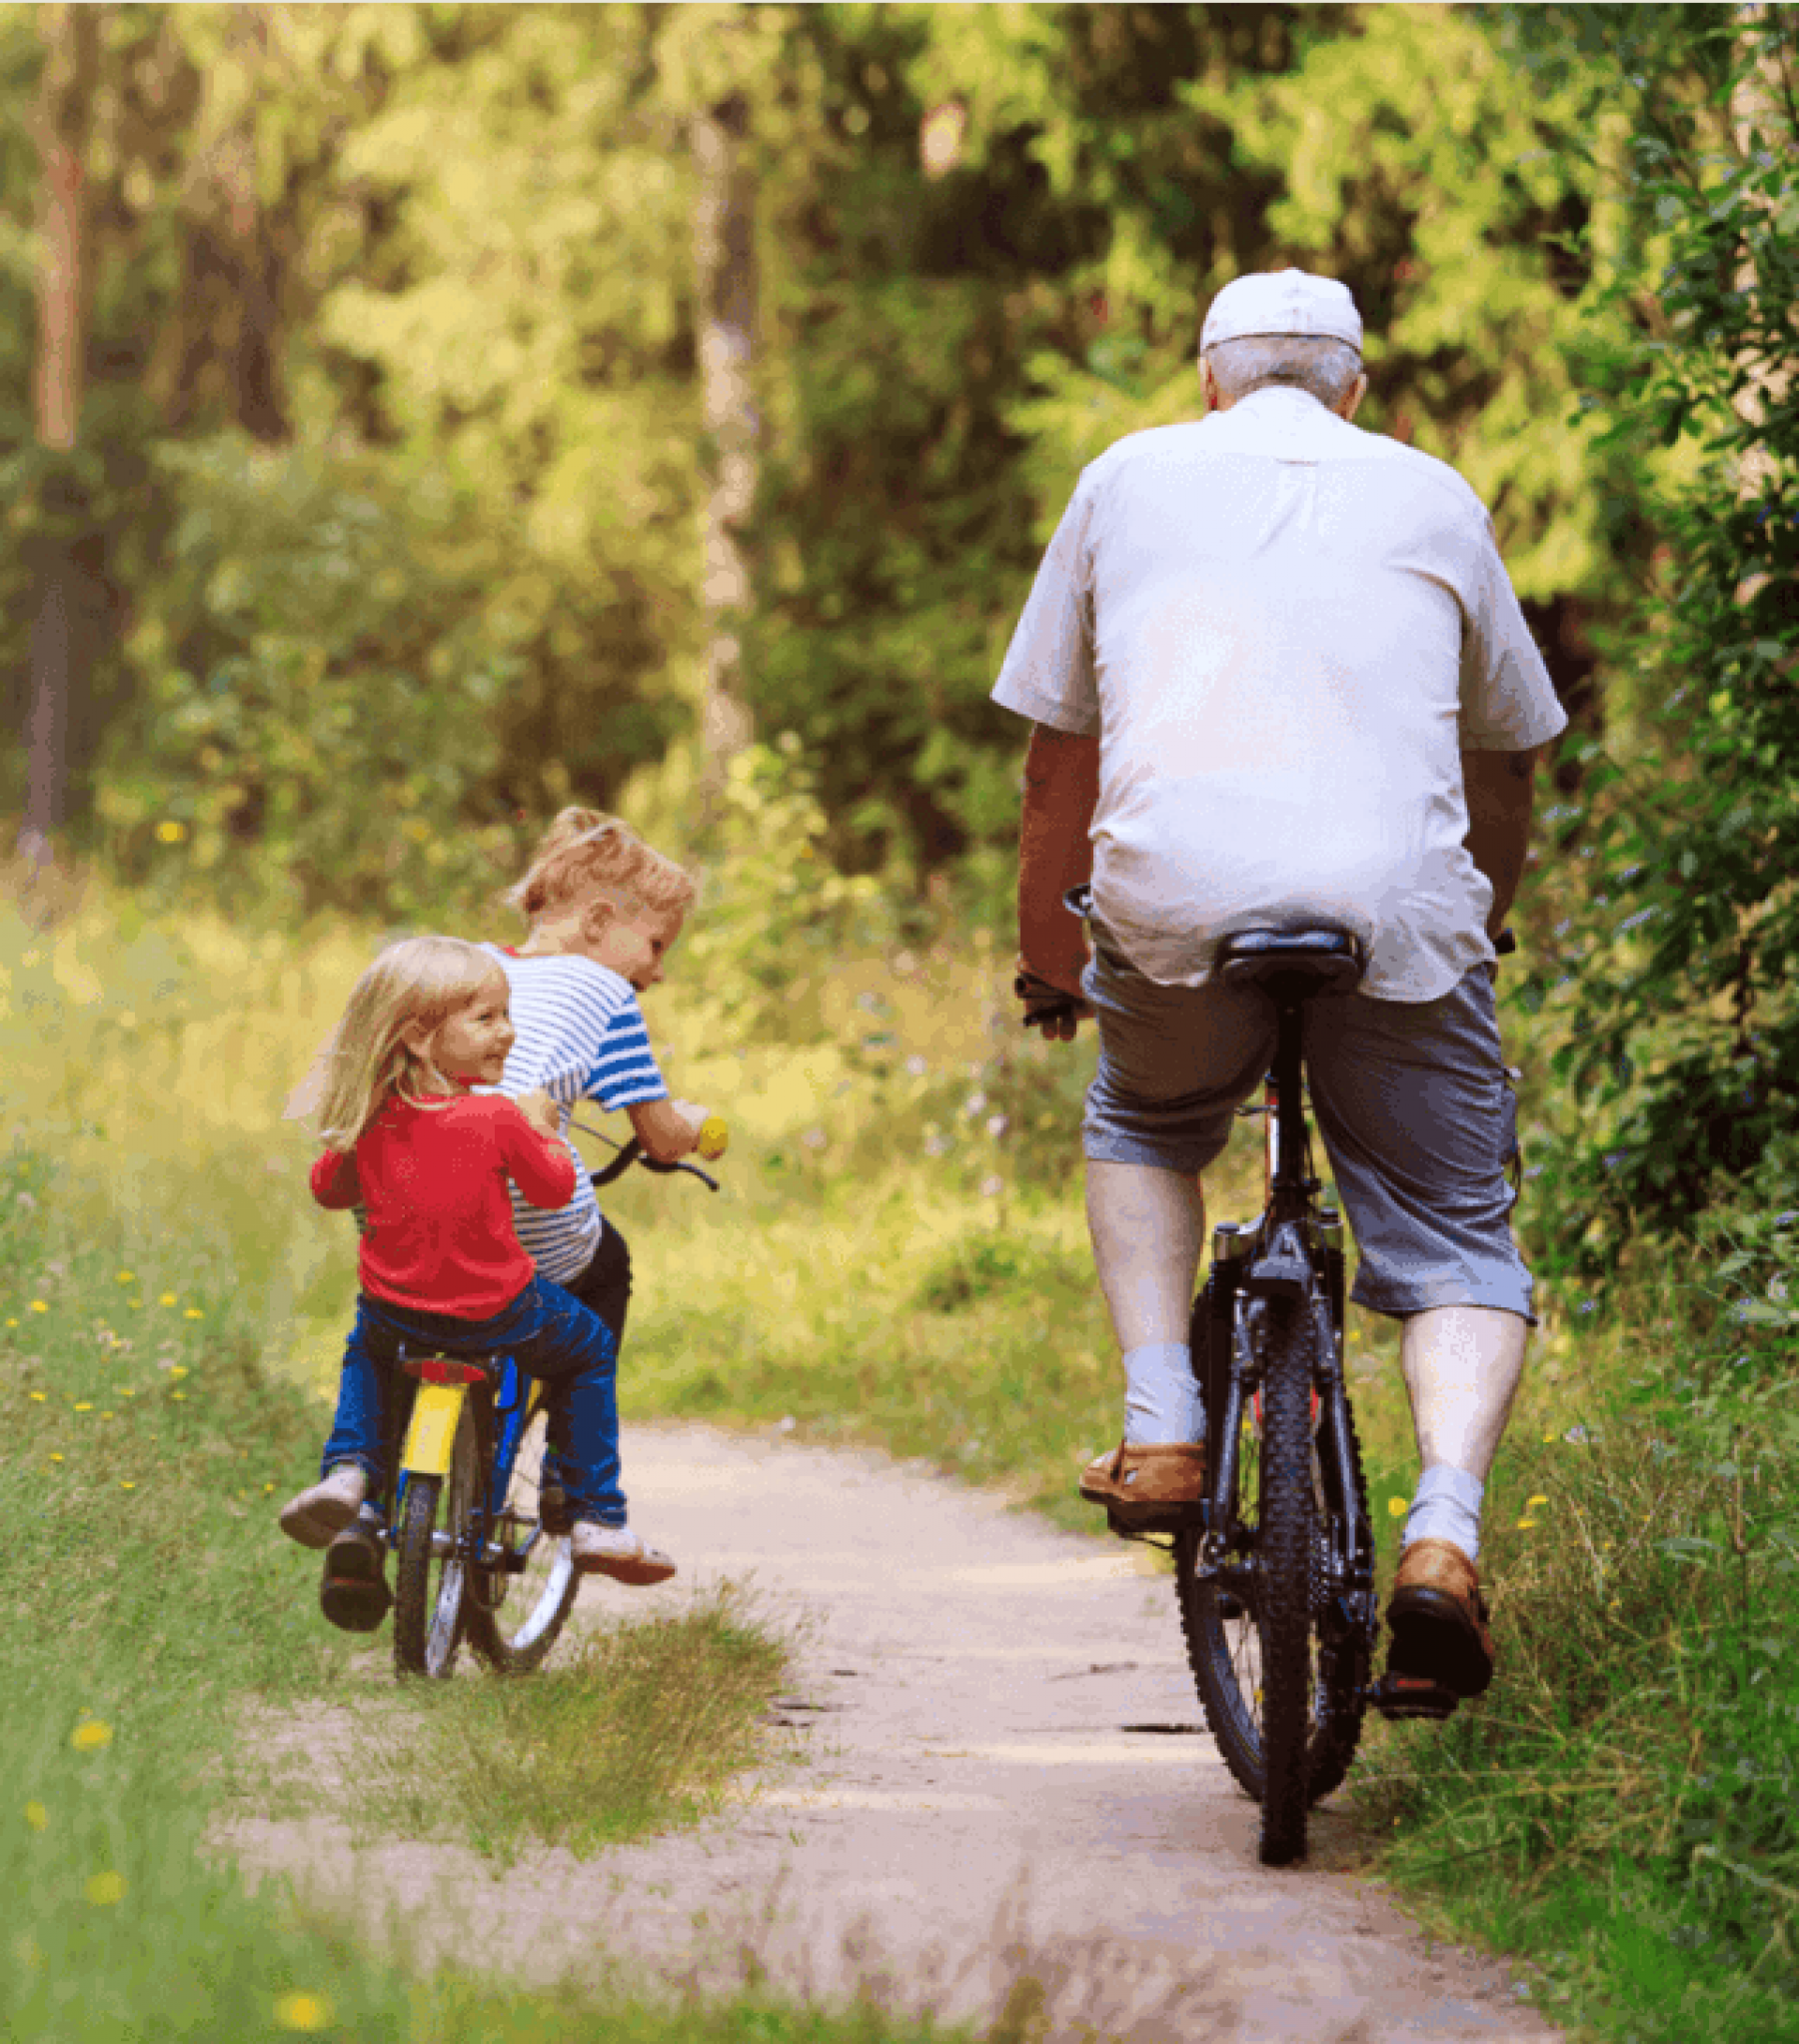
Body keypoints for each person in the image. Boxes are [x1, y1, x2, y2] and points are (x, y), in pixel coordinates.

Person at [992, 267, 1567, 1709]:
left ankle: (1165, 1426)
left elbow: (1061, 754)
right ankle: (1443, 1539)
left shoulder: (1123, 479)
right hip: (1401, 920)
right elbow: (1509, 757)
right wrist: (1475, 919)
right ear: (1354, 389)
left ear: (1207, 379)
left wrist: (1046, 959)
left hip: (1172, 906)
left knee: (1144, 1119)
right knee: (1453, 1239)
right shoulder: (1434, 492)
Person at [277, 935, 680, 1610]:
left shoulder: (374, 1116)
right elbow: (553, 1191)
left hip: (397, 1311)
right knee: (588, 1348)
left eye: (508, 1014)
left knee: (366, 1356)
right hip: (500, 1309)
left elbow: (330, 1190)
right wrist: (543, 1128)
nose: (509, 1033)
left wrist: (343, 1136)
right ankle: (593, 1512)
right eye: (487, 1018)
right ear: (417, 1036)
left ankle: (350, 1476)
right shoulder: (497, 1114)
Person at [477, 808, 713, 1521]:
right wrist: (696, 1126)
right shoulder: (604, 993)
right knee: (606, 1269)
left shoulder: (471, 968)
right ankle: (573, 1480)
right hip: (527, 1208)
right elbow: (661, 1134)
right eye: (655, 944)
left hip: (426, 1194)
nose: (658, 971)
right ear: (600, 918)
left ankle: (373, 1486)